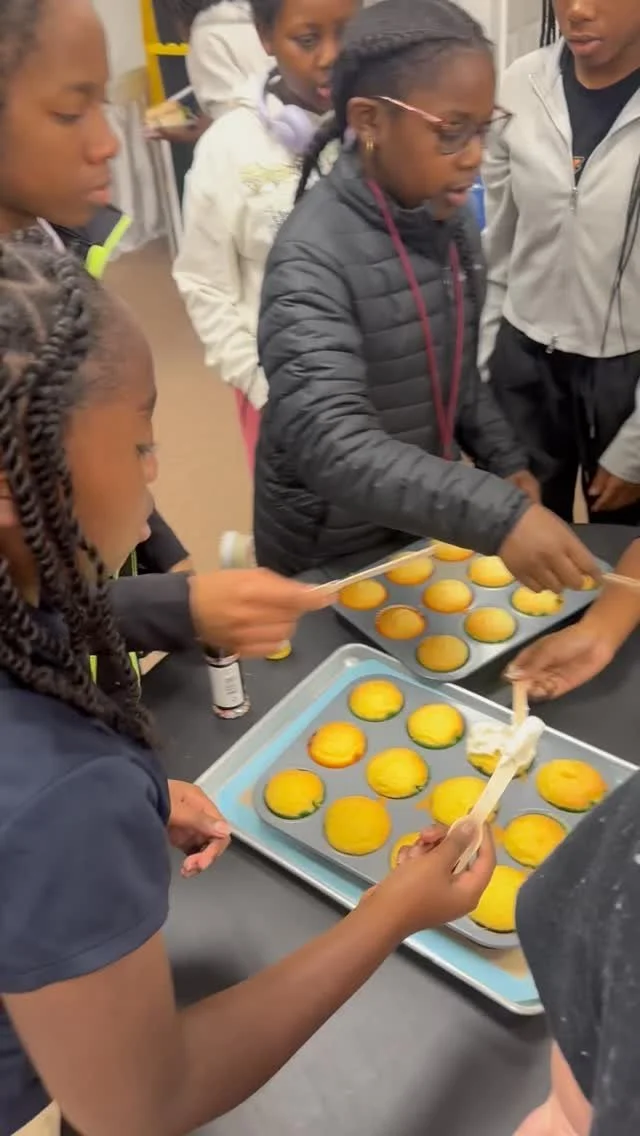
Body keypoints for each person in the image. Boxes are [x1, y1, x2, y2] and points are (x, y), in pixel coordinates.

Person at [0, 239, 495, 1136]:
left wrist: (138, 796)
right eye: (142, 440)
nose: (157, 471)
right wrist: (391, 913)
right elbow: (142, 1102)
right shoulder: (63, 792)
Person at [0, 0, 321, 662]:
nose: (108, 141)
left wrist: (164, 557)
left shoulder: (47, 247)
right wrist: (168, 608)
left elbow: (83, 445)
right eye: (70, 112)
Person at [252, 0, 598, 593]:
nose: (474, 155)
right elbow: (333, 445)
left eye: (482, 128)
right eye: (450, 131)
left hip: (414, 516)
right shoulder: (310, 258)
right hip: (328, 545)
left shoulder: (448, 220)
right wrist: (494, 513)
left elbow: (455, 373)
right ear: (370, 121)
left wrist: (503, 460)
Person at [174, 0, 359, 472]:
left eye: (347, 32)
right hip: (279, 393)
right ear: (265, 35)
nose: (330, 56)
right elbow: (205, 284)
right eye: (307, 39)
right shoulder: (227, 149)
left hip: (378, 387)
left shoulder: (382, 127)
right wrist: (259, 385)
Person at [481, 0, 640, 526]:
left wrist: (637, 444)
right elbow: (497, 249)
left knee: (623, 551)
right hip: (523, 361)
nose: (577, 10)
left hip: (625, 374)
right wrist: (484, 373)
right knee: (519, 539)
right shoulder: (520, 85)